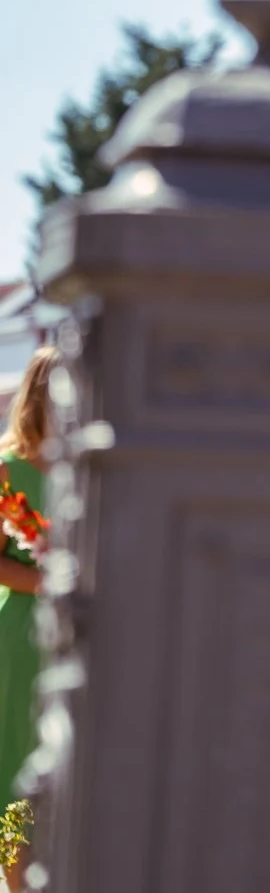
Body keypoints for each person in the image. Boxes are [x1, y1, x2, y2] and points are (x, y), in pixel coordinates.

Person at [0, 346, 53, 893]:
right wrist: (52, 583)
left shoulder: (97, 465)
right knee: (16, 775)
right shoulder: (6, 472)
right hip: (21, 638)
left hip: (91, 637)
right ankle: (16, 885)